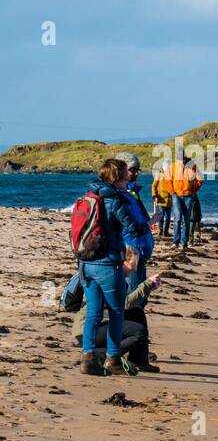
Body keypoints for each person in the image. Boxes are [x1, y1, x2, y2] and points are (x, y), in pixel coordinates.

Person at [79, 158, 152, 377]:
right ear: (118, 176)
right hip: (108, 264)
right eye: (126, 174)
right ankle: (113, 359)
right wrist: (147, 224)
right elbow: (133, 228)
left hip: (85, 263)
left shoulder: (88, 197)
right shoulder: (115, 200)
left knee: (92, 312)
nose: (129, 177)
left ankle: (88, 357)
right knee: (117, 313)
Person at [74, 247, 161, 374]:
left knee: (137, 312)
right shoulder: (110, 275)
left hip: (98, 325)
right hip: (85, 331)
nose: (133, 271)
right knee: (138, 332)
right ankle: (104, 355)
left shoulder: (114, 275)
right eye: (131, 267)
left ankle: (139, 359)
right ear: (122, 262)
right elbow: (124, 303)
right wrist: (147, 285)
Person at [115, 152, 155, 288]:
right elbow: (130, 227)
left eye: (138, 170)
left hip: (140, 251)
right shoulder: (119, 196)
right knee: (132, 296)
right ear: (121, 170)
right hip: (131, 252)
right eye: (133, 170)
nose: (137, 173)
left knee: (138, 297)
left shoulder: (130, 193)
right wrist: (151, 222)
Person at [162, 152, 203, 249]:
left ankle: (184, 243)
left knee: (186, 220)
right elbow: (167, 180)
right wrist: (172, 192)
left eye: (182, 159)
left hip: (188, 196)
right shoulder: (172, 166)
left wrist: (193, 191)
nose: (181, 161)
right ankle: (175, 242)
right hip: (176, 195)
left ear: (185, 157)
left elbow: (200, 179)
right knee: (177, 219)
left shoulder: (192, 165)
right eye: (179, 159)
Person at [151, 163, 172, 238]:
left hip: (169, 200)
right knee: (161, 216)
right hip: (161, 199)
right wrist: (155, 195)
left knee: (168, 217)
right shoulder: (159, 175)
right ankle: (160, 231)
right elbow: (154, 186)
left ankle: (166, 232)